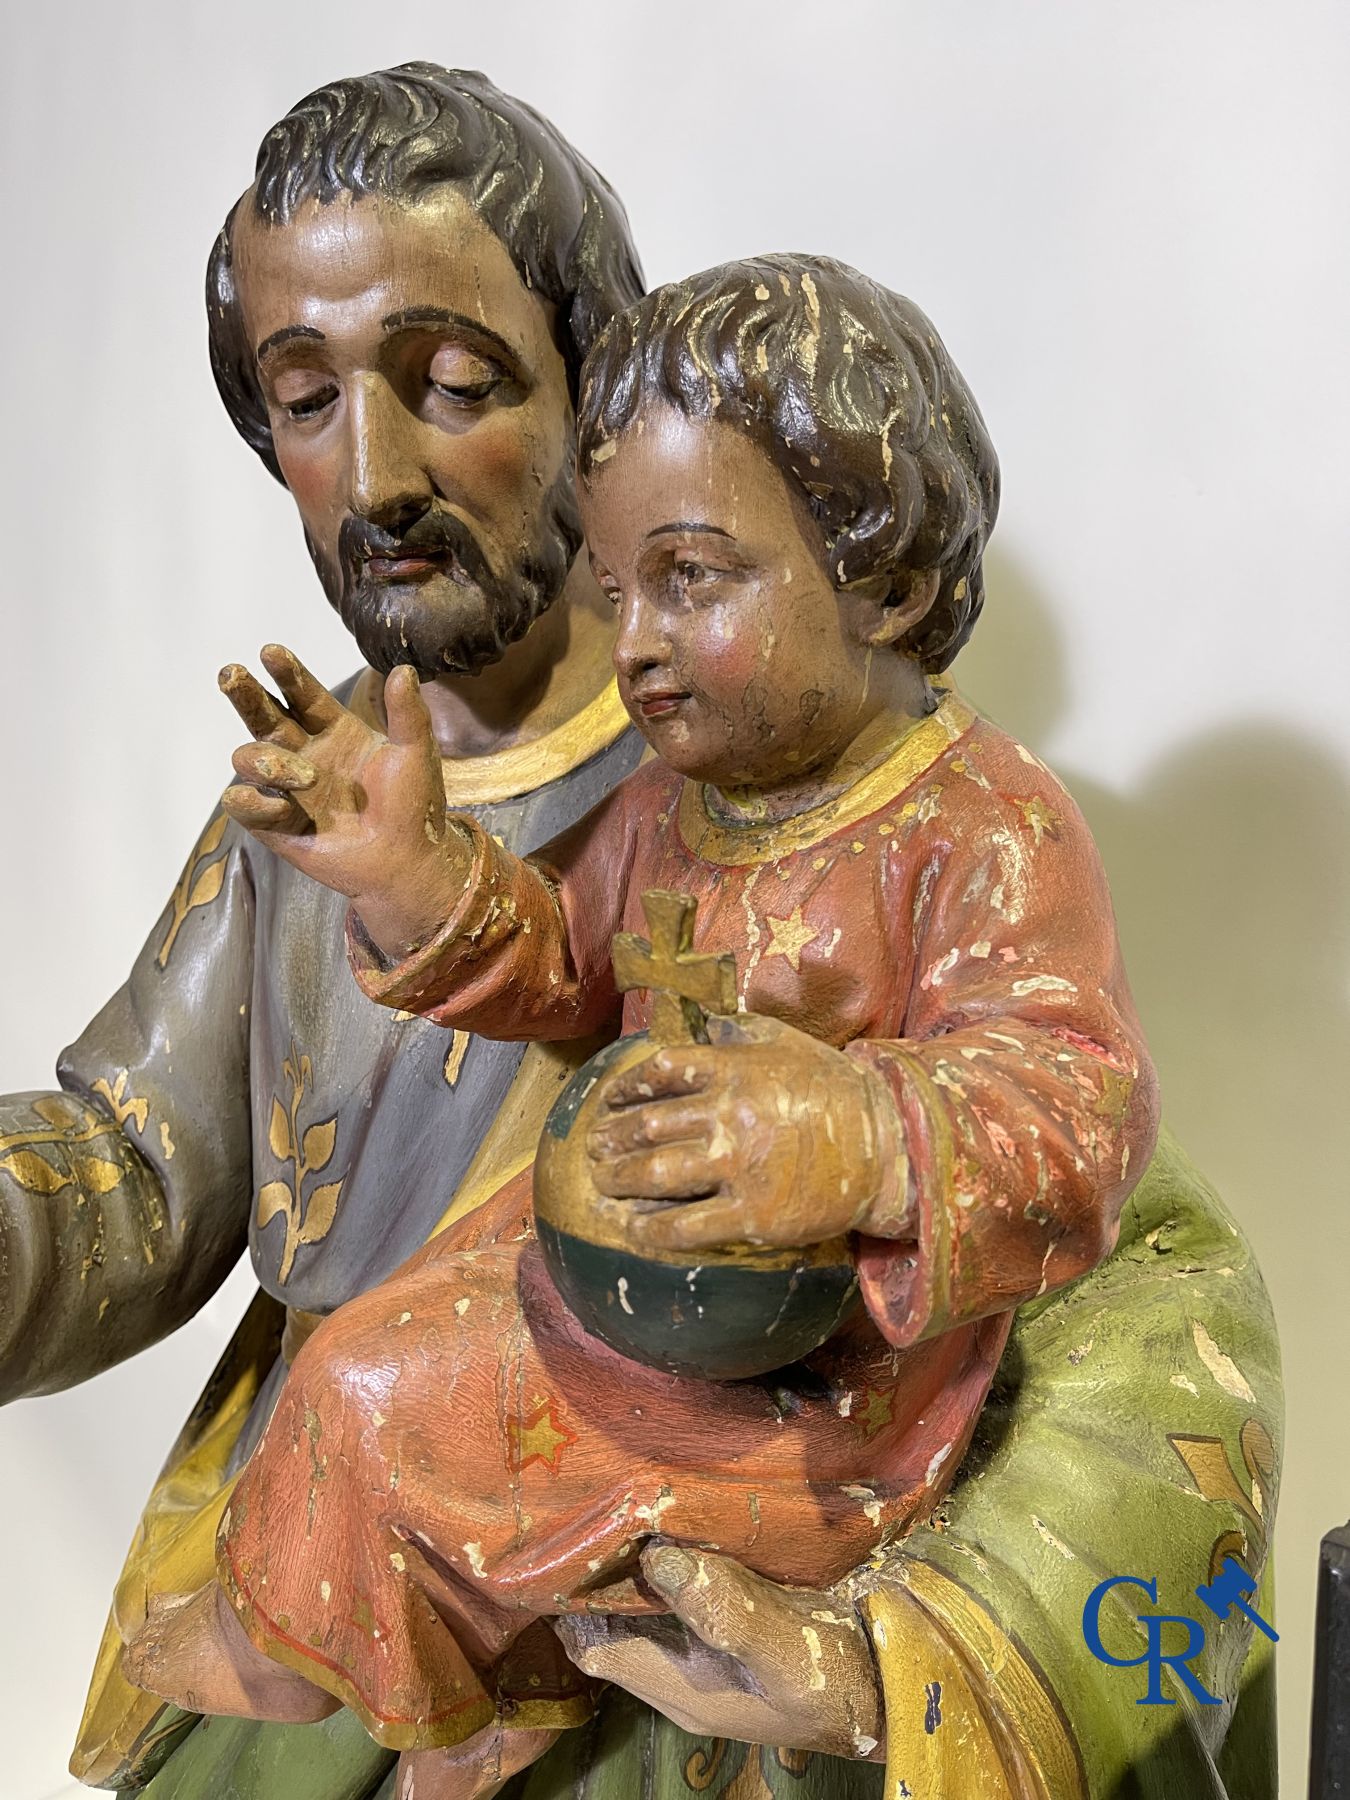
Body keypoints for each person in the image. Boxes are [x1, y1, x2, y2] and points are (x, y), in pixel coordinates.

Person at [1, 67, 1281, 1800]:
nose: (373, 475)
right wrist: (399, 878)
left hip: (738, 1582)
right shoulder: (330, 813)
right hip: (380, 1505)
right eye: (303, 400)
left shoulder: (845, 788)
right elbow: (130, 1172)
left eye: (456, 383)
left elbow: (1114, 1225)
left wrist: (887, 1659)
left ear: (592, 381)